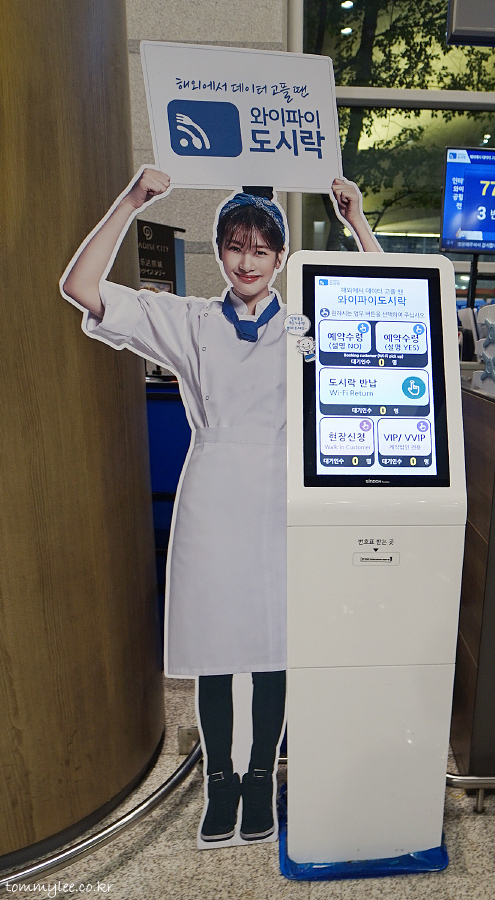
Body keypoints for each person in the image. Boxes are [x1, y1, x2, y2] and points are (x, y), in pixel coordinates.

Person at [61, 167, 381, 845]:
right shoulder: (191, 321)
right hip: (212, 497)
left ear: (280, 258)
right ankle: (221, 780)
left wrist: (356, 222)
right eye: (235, 247)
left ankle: (260, 776)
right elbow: (81, 288)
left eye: (261, 250)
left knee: (273, 647)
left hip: (282, 498)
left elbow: (388, 304)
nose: (246, 261)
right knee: (214, 646)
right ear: (220, 251)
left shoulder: (305, 327)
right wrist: (132, 201)